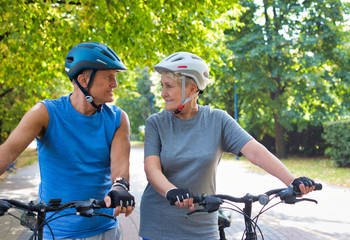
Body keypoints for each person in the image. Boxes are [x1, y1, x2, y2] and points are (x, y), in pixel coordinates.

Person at [139, 52, 317, 240]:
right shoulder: (156, 123)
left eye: (169, 86)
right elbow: (152, 170)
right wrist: (171, 191)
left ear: (192, 89)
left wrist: (292, 180)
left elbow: (256, 152)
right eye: (162, 86)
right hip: (159, 227)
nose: (162, 93)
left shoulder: (217, 120)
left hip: (203, 227)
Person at [0, 42, 135, 239]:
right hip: (57, 230)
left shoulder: (118, 118)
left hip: (104, 228)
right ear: (83, 79)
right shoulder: (45, 113)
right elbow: (8, 152)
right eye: (109, 77)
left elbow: (120, 163)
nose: (115, 84)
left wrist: (120, 185)